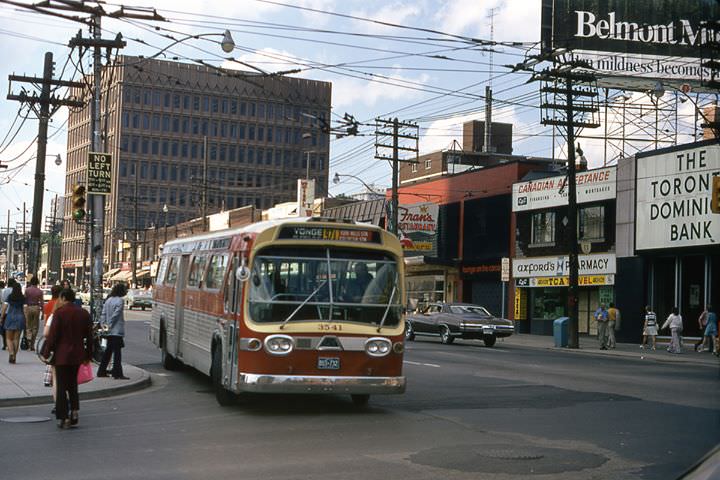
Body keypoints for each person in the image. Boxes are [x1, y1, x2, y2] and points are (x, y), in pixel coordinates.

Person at [43, 288, 93, 429]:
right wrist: (89, 355)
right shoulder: (83, 313)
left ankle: (63, 416)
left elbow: (53, 336)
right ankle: (75, 411)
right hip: (77, 353)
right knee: (72, 384)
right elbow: (89, 337)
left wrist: (47, 352)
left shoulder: (59, 313)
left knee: (61, 386)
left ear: (64, 298)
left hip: (62, 354)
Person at [97, 282, 129, 380]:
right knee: (117, 353)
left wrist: (104, 325)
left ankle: (101, 370)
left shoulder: (108, 300)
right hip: (116, 330)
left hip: (109, 331)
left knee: (108, 351)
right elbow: (116, 315)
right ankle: (117, 373)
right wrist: (110, 325)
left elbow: (103, 314)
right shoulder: (120, 301)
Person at [0, 281, 26, 363]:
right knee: (16, 338)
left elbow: (4, 307)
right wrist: (26, 320)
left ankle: (11, 353)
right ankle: (14, 355)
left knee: (8, 338)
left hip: (10, 317)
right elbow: (25, 310)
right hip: (20, 317)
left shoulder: (10, 297)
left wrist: (1, 317)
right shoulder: (23, 298)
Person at [23, 275, 44, 351]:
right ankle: (32, 345)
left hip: (28, 307)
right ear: (37, 282)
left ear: (31, 282)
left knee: (28, 326)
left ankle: (28, 343)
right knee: (35, 326)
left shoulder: (27, 290)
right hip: (36, 308)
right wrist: (43, 312)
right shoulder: (40, 291)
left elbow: (24, 299)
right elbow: (41, 302)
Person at [0, 280, 6, 350]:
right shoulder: (4, 291)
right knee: (3, 326)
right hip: (3, 311)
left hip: (1, 310)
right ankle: (5, 343)